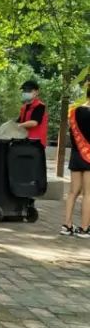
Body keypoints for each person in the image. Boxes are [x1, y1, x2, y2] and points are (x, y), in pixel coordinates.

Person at [62, 81, 90, 237]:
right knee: (88, 194)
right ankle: (84, 228)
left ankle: (67, 225)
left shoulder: (74, 112)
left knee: (73, 192)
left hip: (76, 155)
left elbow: (72, 135)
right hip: (89, 157)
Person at [18, 79, 48, 148]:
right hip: (25, 141)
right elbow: (19, 121)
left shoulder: (40, 106)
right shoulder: (24, 108)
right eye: (24, 91)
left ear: (36, 92)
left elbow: (34, 122)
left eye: (29, 90)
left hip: (36, 143)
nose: (26, 92)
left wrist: (19, 126)